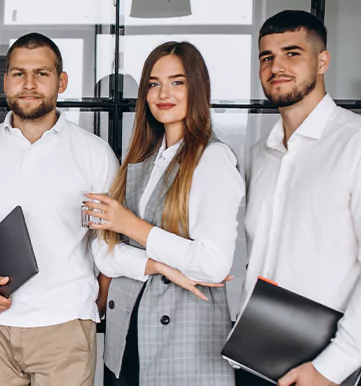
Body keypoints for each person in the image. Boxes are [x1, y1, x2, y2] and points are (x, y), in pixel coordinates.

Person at [240, 10, 361, 386]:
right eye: (266, 57)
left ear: (322, 61)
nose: (276, 67)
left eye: (292, 53)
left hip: (328, 367)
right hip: (254, 357)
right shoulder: (259, 155)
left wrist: (331, 368)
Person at [0, 32, 119, 386]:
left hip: (65, 324)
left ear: (62, 81)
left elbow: (111, 239)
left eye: (41, 73)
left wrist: (94, 305)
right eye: (18, 73)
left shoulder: (94, 153)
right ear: (5, 81)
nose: (28, 84)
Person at [86, 41, 243, 385]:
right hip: (128, 330)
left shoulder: (212, 159)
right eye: (154, 84)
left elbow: (213, 263)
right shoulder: (141, 159)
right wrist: (158, 266)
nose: (163, 93)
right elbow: (104, 252)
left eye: (177, 82)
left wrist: (133, 227)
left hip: (184, 340)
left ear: (198, 88)